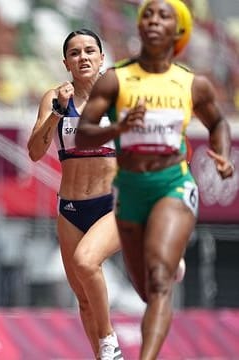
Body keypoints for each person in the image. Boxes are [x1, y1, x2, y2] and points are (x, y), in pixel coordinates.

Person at [75, 1, 234, 359]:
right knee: (145, 288)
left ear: (179, 32)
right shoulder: (116, 79)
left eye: (164, 16)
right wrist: (118, 127)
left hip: (172, 183)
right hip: (130, 188)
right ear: (139, 25)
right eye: (148, 14)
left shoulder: (192, 83)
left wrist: (221, 152)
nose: (154, 20)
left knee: (160, 283)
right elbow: (82, 135)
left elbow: (218, 123)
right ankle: (161, 255)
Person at [27, 29, 123, 360]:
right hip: (70, 208)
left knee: (86, 262)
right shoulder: (54, 97)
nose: (82, 57)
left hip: (112, 204)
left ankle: (109, 339)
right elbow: (35, 153)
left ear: (101, 58)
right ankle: (102, 355)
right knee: (82, 298)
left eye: (89, 51)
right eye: (74, 53)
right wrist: (57, 111)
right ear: (65, 62)